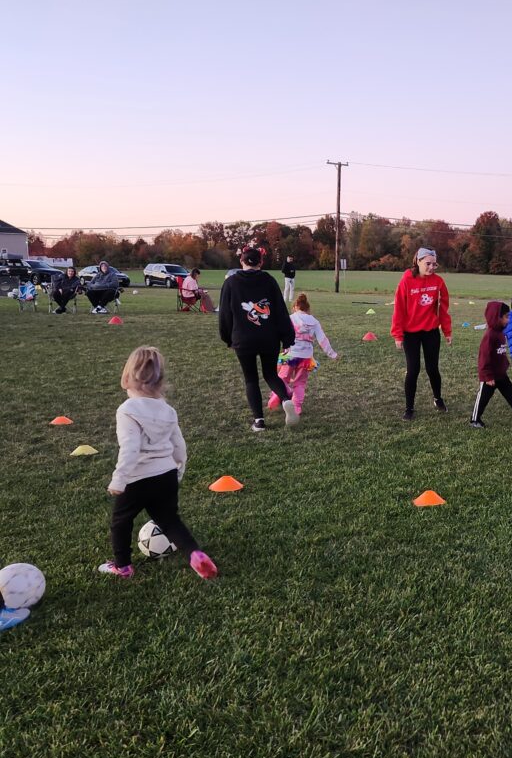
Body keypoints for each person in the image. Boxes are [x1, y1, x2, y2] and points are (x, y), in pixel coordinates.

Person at [99, 346, 218, 579]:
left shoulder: (127, 410)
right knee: (170, 520)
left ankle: (122, 566)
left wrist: (119, 479)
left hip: (137, 478)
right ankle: (195, 553)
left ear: (125, 378)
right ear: (160, 381)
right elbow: (179, 445)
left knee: (121, 521)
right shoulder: (167, 410)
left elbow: (130, 448)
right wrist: (178, 469)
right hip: (166, 474)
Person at [219, 247, 298, 431]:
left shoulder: (231, 283)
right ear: (261, 262)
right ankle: (286, 400)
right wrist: (287, 338)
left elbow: (224, 314)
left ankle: (259, 421)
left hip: (242, 338)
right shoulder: (269, 280)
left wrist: (227, 338)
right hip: (268, 338)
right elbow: (280, 311)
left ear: (242, 262)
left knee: (251, 379)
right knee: (270, 374)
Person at [390, 247, 452, 421]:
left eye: (434, 264)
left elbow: (443, 308)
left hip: (431, 331)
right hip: (411, 334)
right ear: (418, 261)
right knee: (413, 369)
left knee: (433, 368)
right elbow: (399, 309)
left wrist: (447, 331)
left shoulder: (438, 281)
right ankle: (409, 408)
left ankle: (438, 399)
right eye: (428, 263)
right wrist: (398, 335)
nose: (432, 267)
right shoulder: (406, 282)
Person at [268, 293, 337, 417]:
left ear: (295, 307)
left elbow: (278, 334)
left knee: (282, 378)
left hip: (290, 355)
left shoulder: (289, 318)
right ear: (308, 309)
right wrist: (332, 354)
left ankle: (276, 396)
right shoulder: (314, 321)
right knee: (300, 383)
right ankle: (297, 407)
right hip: (305, 357)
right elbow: (323, 340)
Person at [470, 301, 512, 428]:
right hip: (490, 376)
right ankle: (474, 420)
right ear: (497, 318)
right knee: (483, 397)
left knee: (510, 392)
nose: (508, 319)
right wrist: (487, 376)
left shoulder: (500, 332)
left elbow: (500, 352)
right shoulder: (489, 336)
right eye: (506, 316)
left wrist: (504, 364)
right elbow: (484, 358)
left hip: (500, 373)